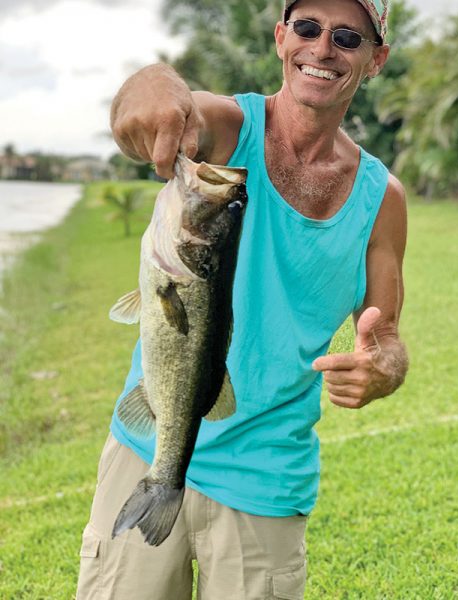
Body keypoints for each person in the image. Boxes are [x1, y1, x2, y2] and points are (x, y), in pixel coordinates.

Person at [76, 0, 408, 598]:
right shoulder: (227, 129)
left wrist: (384, 365)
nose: (322, 48)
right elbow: (153, 109)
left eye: (347, 37)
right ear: (282, 37)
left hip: (267, 478)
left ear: (376, 58)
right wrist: (150, 84)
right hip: (148, 447)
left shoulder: (383, 198)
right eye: (306, 27)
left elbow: (382, 331)